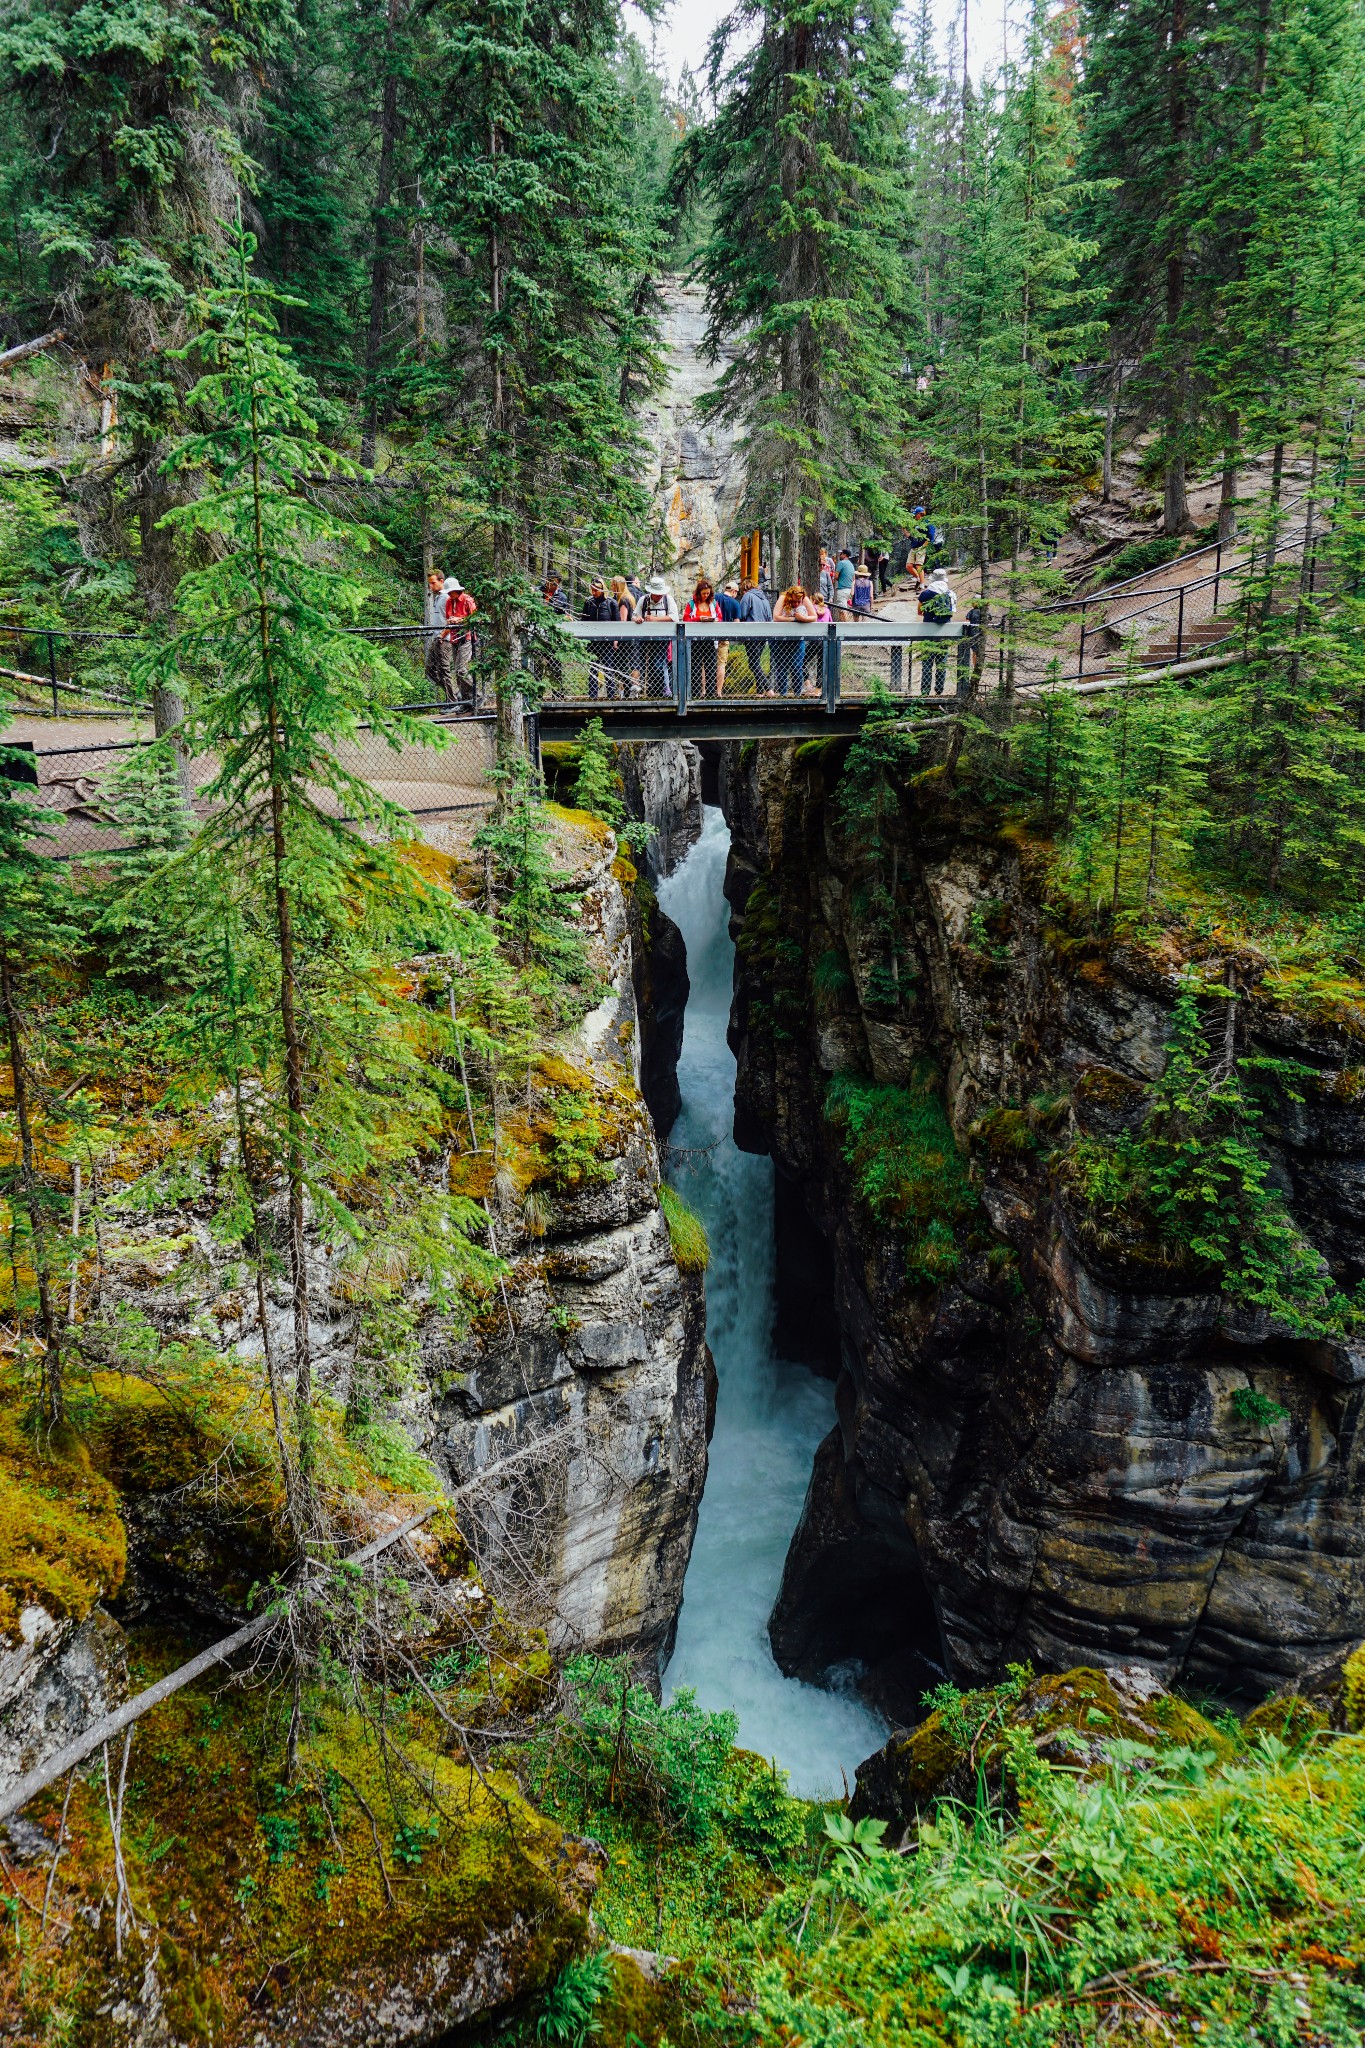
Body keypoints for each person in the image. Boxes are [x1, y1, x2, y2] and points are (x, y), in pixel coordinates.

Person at [773, 582, 819, 697]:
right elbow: (776, 617)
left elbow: (814, 617)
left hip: (798, 639)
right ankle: (783, 694)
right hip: (781, 639)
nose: (797, 604)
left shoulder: (805, 599)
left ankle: (797, 693)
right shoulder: (783, 598)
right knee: (781, 666)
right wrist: (794, 619)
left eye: (799, 602)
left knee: (796, 666)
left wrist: (803, 618)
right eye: (794, 601)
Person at [918, 566, 957, 695]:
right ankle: (939, 690)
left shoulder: (926, 594)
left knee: (927, 664)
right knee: (941, 663)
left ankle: (925, 691)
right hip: (944, 634)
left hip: (928, 634)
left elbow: (919, 611)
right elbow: (952, 612)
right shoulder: (950, 594)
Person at [683, 577, 723, 698]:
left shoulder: (714, 603)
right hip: (695, 640)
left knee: (710, 666)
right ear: (699, 593)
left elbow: (720, 618)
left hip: (710, 639)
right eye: (703, 593)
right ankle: (694, 693)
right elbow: (686, 619)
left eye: (708, 593)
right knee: (695, 666)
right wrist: (697, 619)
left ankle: (711, 693)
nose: (706, 595)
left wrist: (713, 620)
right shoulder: (691, 604)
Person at [639, 573, 678, 698]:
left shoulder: (668, 600)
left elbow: (674, 617)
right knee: (650, 665)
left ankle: (664, 690)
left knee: (659, 664)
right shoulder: (644, 600)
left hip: (663, 638)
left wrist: (655, 619)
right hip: (646, 638)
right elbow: (635, 615)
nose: (659, 595)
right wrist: (638, 619)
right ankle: (655, 691)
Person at [443, 576, 478, 709]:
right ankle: (466, 701)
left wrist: (460, 620)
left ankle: (477, 696)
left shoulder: (467, 600)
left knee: (461, 670)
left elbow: (475, 618)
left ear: (456, 590)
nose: (449, 594)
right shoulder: (448, 602)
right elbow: (448, 618)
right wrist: (451, 621)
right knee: (457, 673)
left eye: (451, 592)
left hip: (466, 637)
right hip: (454, 638)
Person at [581, 574, 616, 699]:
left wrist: (615, 640)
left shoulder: (611, 603)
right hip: (593, 643)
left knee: (609, 669)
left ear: (602, 589)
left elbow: (617, 623)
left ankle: (611, 696)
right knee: (593, 671)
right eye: (592, 590)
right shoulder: (588, 602)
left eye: (596, 590)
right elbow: (583, 620)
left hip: (607, 643)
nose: (594, 592)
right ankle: (592, 696)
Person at [737, 574, 772, 691]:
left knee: (753, 663)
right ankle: (760, 690)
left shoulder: (748, 596)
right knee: (756, 661)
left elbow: (741, 614)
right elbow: (769, 618)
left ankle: (768, 688)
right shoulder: (765, 599)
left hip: (751, 634)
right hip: (763, 634)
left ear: (745, 588)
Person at [424, 569, 453, 701]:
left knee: (444, 670)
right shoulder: (438, 597)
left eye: (433, 583)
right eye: (429, 583)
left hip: (444, 639)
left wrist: (443, 635)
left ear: (441, 581)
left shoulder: (447, 598)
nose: (431, 586)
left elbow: (452, 619)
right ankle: (454, 695)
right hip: (437, 638)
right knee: (430, 670)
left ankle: (452, 701)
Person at [610, 574, 639, 696]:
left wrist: (616, 640)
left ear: (617, 586)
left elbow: (623, 621)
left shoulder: (623, 600)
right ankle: (632, 688)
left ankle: (626, 690)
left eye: (612, 585)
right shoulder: (630, 597)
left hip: (625, 639)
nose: (610, 587)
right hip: (633, 637)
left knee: (621, 664)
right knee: (633, 662)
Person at [717, 577, 742, 694]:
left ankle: (704, 690)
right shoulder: (735, 603)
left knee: (705, 664)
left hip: (710, 634)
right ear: (734, 591)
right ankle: (718, 692)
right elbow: (737, 623)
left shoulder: (715, 597)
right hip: (724, 636)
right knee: (721, 664)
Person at [957, 601, 986, 696]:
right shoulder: (984, 611)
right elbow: (989, 619)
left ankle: (975, 665)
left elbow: (967, 621)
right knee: (979, 651)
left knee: (974, 651)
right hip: (981, 633)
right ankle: (978, 665)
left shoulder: (971, 612)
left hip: (972, 634)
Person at [907, 507, 930, 575]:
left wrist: (924, 546)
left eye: (916, 514)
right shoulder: (915, 524)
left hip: (923, 546)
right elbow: (912, 537)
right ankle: (919, 579)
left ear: (920, 514)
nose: (914, 516)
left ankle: (922, 581)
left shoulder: (927, 523)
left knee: (919, 565)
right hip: (915, 546)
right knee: (911, 565)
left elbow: (930, 537)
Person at [834, 549, 856, 619]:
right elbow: (853, 578)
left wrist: (839, 578)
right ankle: (843, 625)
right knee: (843, 610)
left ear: (845, 555)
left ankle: (846, 627)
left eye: (841, 554)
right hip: (850, 590)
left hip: (842, 589)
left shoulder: (841, 563)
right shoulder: (851, 564)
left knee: (842, 610)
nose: (840, 555)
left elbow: (836, 576)